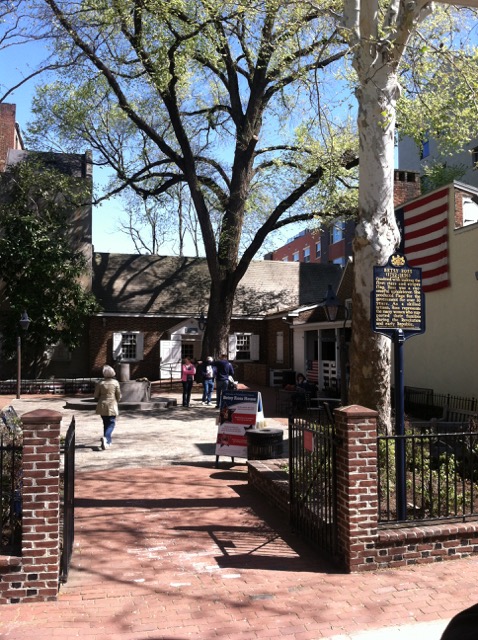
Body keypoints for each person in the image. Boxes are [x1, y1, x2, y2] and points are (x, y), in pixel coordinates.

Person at [94, 364, 121, 450]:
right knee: (111, 423)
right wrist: (118, 400)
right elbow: (118, 395)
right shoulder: (115, 383)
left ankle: (108, 441)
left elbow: (96, 395)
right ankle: (106, 438)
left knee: (105, 422)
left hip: (102, 404)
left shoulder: (100, 383)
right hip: (112, 404)